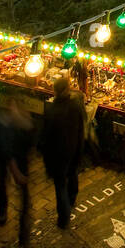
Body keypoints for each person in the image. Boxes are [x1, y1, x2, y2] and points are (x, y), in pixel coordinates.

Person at [0, 99, 35, 248]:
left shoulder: (18, 120)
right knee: (3, 183)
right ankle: (2, 209)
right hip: (8, 160)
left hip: (17, 161)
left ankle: (23, 238)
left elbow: (30, 135)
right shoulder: (0, 124)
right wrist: (16, 170)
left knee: (24, 200)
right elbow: (3, 148)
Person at [42, 74, 85, 229]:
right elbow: (81, 127)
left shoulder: (52, 110)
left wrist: (46, 157)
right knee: (72, 174)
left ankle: (63, 216)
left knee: (60, 185)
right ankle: (71, 199)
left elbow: (46, 135)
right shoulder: (75, 106)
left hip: (58, 153)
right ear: (67, 90)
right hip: (72, 149)